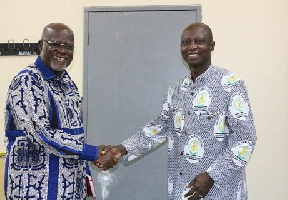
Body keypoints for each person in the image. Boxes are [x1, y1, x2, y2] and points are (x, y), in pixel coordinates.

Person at [95, 22, 257, 200]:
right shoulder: (176, 90)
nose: (192, 47)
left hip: (222, 191)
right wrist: (121, 150)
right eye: (186, 42)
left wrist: (213, 175)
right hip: (183, 190)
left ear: (212, 46)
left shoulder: (231, 84)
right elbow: (158, 128)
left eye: (199, 41)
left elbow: (245, 139)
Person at [4, 23, 113, 200]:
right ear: (41, 45)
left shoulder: (68, 83)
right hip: (33, 190)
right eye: (56, 44)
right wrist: (93, 153)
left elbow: (75, 136)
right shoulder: (27, 82)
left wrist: (85, 176)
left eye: (68, 47)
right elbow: (41, 134)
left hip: (69, 190)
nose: (62, 51)